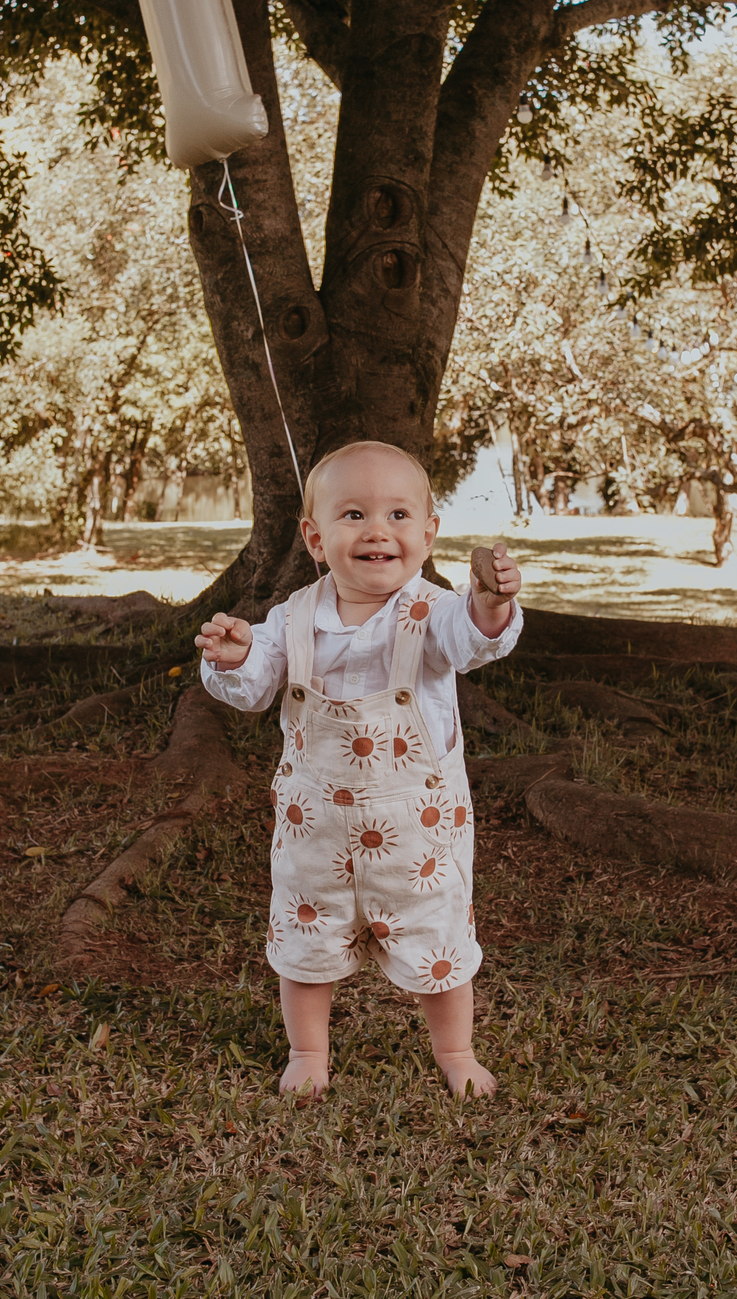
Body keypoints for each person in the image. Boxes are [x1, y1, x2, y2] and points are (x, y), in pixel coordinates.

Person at [195, 440, 522, 1098]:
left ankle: (455, 1048)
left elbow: (472, 638)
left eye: (400, 515)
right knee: (306, 939)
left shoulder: (433, 613)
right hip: (315, 828)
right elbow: (256, 684)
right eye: (353, 515)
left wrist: (489, 603)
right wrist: (233, 657)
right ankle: (307, 1050)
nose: (378, 529)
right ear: (316, 538)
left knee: (438, 937)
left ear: (429, 535)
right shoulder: (294, 617)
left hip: (419, 836)